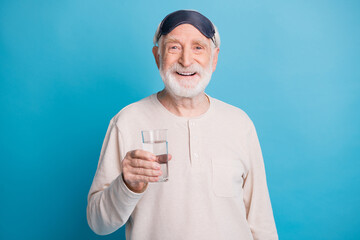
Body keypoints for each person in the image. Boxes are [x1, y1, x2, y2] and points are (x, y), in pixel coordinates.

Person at [87, 10, 278, 240]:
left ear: (214, 58)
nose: (186, 60)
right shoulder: (127, 121)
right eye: (174, 47)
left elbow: (262, 223)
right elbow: (98, 223)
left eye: (198, 47)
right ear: (157, 56)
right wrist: (127, 185)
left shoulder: (240, 124)